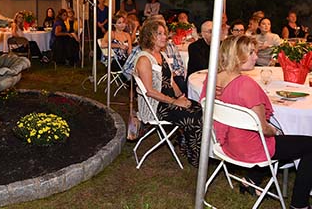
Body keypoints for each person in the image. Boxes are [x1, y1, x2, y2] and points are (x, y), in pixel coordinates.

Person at [199, 35, 312, 209]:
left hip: (225, 144)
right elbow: (263, 128)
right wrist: (275, 131)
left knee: (283, 140)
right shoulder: (246, 85)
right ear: (235, 55)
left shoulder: (211, 79)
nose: (256, 57)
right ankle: (299, 204)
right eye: (251, 52)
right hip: (250, 150)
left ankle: (251, 180)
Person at [134, 20, 202, 167]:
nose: (164, 37)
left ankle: (187, 145)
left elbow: (170, 81)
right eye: (159, 34)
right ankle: (195, 157)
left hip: (168, 101)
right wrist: (174, 102)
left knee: (197, 107)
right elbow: (150, 92)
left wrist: (180, 96)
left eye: (164, 33)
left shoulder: (162, 55)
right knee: (191, 115)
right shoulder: (144, 59)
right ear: (149, 36)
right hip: (156, 107)